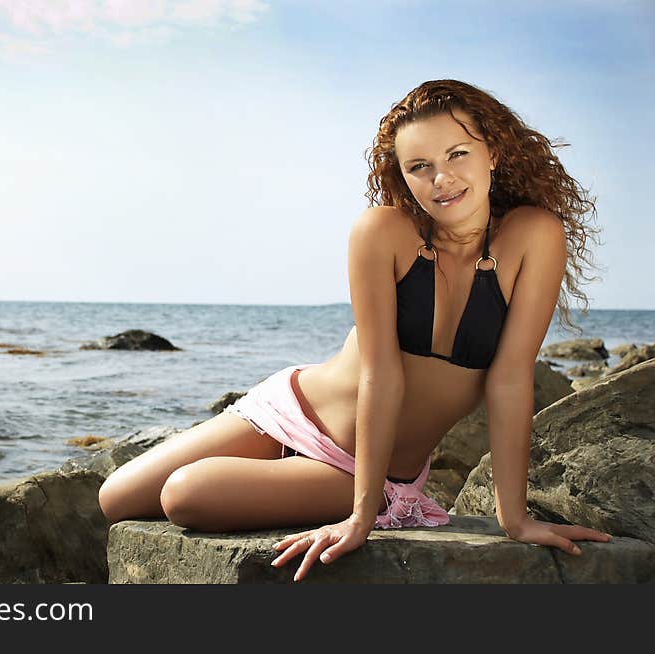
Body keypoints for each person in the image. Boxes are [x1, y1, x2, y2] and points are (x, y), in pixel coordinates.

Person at [97, 79, 612, 582]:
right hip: (292, 408)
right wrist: (360, 519)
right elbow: (381, 374)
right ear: (403, 176)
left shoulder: (534, 235)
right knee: (114, 497)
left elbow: (510, 379)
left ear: (493, 152)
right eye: (420, 166)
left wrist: (512, 518)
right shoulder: (383, 232)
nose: (442, 179)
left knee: (183, 496)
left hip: (365, 469)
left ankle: (369, 496)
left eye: (457, 154)